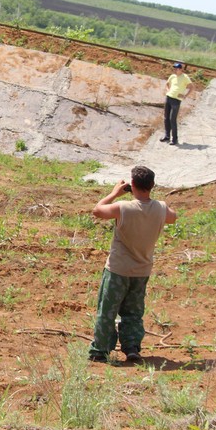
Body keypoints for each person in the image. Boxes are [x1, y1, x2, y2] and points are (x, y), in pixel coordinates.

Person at [89, 165, 177, 363]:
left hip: (118, 269)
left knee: (108, 311)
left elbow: (97, 211)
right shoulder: (160, 209)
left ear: (133, 185)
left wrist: (113, 193)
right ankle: (132, 348)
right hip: (141, 270)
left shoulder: (124, 208)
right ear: (152, 185)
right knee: (133, 312)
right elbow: (173, 216)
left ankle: (100, 350)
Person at [161, 62, 192, 145]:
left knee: (172, 119)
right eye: (174, 68)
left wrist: (185, 95)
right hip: (169, 98)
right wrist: (168, 90)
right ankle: (167, 136)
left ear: (181, 69)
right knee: (166, 118)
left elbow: (192, 87)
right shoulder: (172, 76)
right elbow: (167, 84)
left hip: (176, 100)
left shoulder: (185, 77)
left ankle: (174, 139)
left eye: (177, 69)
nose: (175, 70)